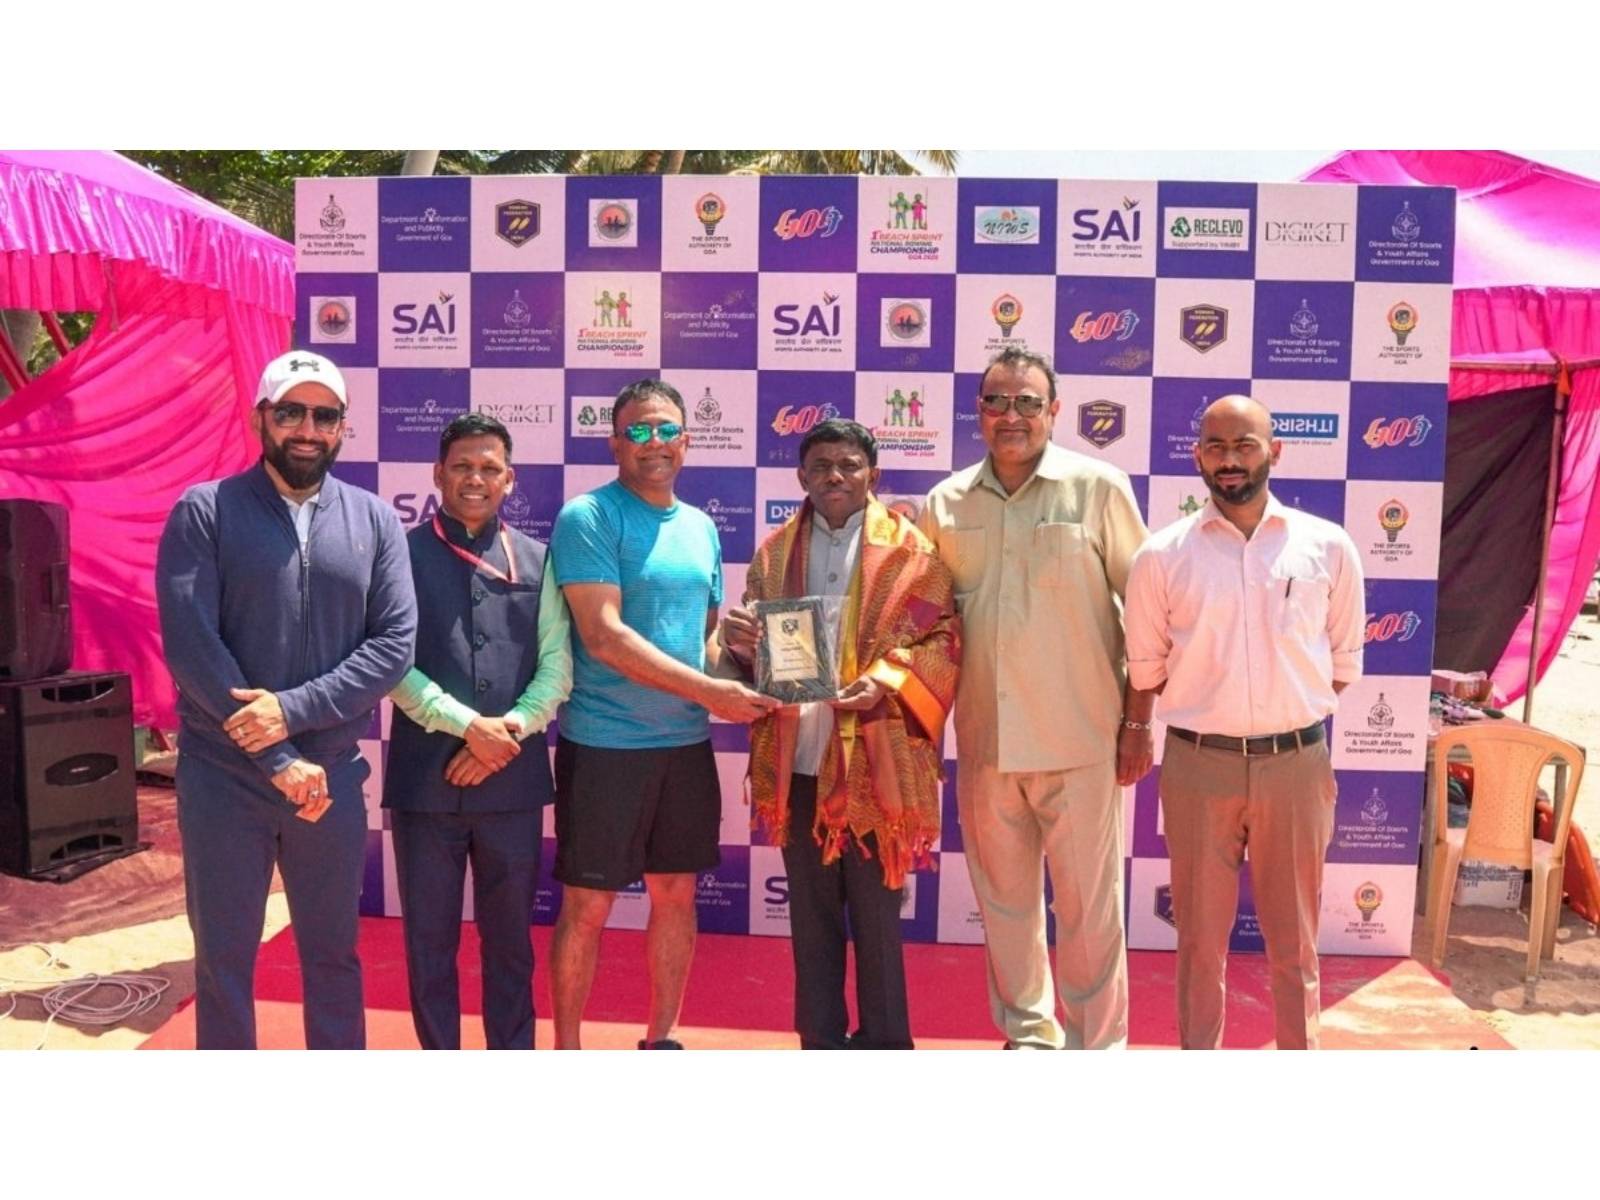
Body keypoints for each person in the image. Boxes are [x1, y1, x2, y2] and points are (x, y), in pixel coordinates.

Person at [155, 349, 416, 1049]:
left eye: (323, 415)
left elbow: (393, 647)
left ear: (341, 428)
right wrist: (274, 755)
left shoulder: (374, 521)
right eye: (291, 411)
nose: (307, 428)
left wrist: (291, 715)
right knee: (225, 962)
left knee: (333, 956)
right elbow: (191, 645)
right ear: (260, 418)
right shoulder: (204, 511)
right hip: (224, 779)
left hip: (329, 777)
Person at [918, 346, 1152, 1050]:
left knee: (1089, 915)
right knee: (1007, 909)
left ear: (1053, 411)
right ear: (979, 413)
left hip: (1082, 741)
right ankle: (1029, 1040)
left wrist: (1139, 722)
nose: (1010, 415)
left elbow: (1146, 616)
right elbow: (927, 626)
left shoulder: (1098, 488)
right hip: (987, 744)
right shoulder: (945, 502)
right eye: (996, 401)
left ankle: (1094, 1050)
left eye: (1026, 402)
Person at [1124, 395, 1365, 1049]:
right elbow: (1145, 669)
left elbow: (1340, 665)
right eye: (1217, 447)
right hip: (1200, 765)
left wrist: (1283, 718)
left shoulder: (1327, 546)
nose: (1230, 461)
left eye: (1245, 445)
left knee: (1295, 944)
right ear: (1198, 456)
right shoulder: (1162, 556)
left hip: (1296, 765)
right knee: (1200, 943)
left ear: (1275, 451)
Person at [549, 379, 778, 1049]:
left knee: (676, 893)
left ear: (688, 439)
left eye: (667, 430)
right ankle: (566, 1049)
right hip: (605, 745)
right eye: (639, 431)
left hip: (684, 745)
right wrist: (714, 695)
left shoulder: (702, 527)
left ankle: (663, 1039)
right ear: (615, 440)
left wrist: (744, 661)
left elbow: (702, 644)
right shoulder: (588, 516)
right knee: (586, 907)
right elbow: (604, 635)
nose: (655, 444)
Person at [718, 419, 960, 1049]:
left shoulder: (913, 551)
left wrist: (884, 680)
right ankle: (820, 1043)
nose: (834, 476)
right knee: (812, 920)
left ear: (872, 476)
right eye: (821, 464)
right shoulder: (773, 553)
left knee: (879, 923)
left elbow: (941, 640)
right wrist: (743, 648)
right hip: (798, 761)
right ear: (801, 475)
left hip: (877, 764)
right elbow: (762, 663)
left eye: (849, 465)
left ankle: (885, 1046)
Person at [383, 412, 572, 1050]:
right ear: (438, 473)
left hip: (511, 787)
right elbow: (389, 663)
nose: (475, 478)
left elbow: (556, 667)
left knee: (511, 944)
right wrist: (468, 727)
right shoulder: (397, 555)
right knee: (429, 944)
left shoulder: (539, 560)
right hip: (424, 785)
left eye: (490, 468)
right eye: (462, 465)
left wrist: (508, 732)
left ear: (510, 480)